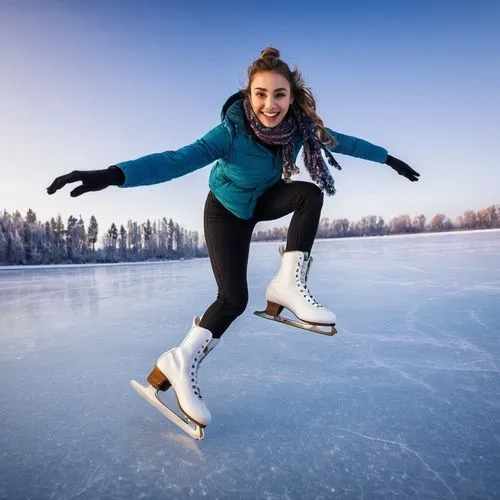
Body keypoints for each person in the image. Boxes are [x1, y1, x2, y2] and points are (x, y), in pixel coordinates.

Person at [47, 47, 420, 438]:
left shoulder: (301, 128)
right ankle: (176, 362)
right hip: (225, 211)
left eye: (279, 94)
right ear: (249, 95)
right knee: (233, 299)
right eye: (261, 94)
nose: (270, 104)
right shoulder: (231, 132)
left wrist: (388, 158)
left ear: (292, 96)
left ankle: (289, 284)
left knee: (309, 195)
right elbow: (176, 159)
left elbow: (347, 144)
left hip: (263, 199)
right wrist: (112, 174)